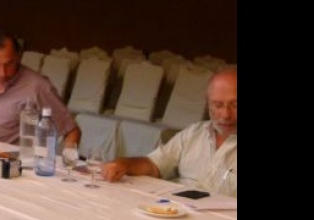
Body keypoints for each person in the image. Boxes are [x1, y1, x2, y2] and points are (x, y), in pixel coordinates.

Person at [102, 65, 237, 196]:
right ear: (207, 103)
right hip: (177, 209)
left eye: (235, 105)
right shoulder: (194, 133)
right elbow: (154, 165)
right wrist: (125, 164)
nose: (226, 115)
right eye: (217, 105)